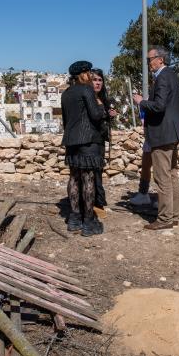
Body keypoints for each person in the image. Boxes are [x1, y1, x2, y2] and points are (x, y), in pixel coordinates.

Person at [133, 46, 179, 230]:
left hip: (162, 133)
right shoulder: (171, 75)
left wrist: (141, 102)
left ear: (160, 60)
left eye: (150, 59)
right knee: (171, 175)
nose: (149, 63)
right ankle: (173, 216)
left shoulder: (162, 77)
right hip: (172, 132)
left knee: (162, 176)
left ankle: (164, 219)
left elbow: (159, 106)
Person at [61, 61, 106, 236]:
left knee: (74, 178)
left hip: (72, 141)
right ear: (83, 74)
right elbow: (95, 115)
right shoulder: (86, 90)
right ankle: (88, 222)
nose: (90, 75)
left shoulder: (66, 94)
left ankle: (74, 218)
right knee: (88, 180)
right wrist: (101, 107)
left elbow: (66, 120)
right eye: (88, 73)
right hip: (88, 140)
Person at [90, 69, 117, 219]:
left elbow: (104, 118)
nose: (98, 83)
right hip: (90, 141)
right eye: (95, 80)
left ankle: (98, 203)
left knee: (98, 171)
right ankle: (93, 204)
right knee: (92, 173)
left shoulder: (103, 98)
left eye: (100, 80)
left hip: (100, 141)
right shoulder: (88, 98)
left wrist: (110, 115)